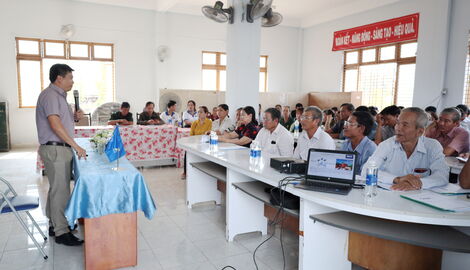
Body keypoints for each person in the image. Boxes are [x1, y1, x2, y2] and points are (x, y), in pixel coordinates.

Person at [36, 63, 85, 246]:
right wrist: (76, 146)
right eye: (70, 77)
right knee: (61, 191)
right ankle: (61, 232)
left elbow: (60, 121)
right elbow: (55, 125)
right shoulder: (50, 96)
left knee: (57, 189)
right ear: (59, 78)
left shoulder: (59, 96)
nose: (72, 81)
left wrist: (73, 117)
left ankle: (54, 224)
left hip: (58, 148)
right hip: (56, 148)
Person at [362, 107, 449, 191]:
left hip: (417, 197)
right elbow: (366, 170)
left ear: (420, 131)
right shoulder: (387, 145)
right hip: (389, 195)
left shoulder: (432, 146)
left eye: (405, 125)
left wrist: (418, 183)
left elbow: (442, 176)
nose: (398, 128)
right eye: (398, 123)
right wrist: (397, 179)